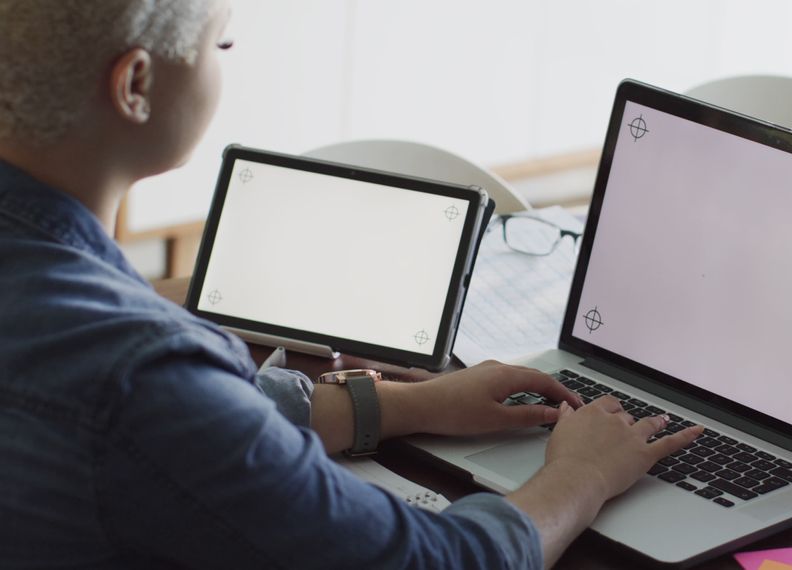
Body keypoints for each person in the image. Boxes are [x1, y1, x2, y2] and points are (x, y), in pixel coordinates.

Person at [0, 1, 703, 568]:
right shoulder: (140, 371)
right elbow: (438, 561)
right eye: (221, 43)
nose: (228, 59)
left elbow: (172, 433)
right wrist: (581, 476)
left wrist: (401, 405)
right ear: (136, 84)